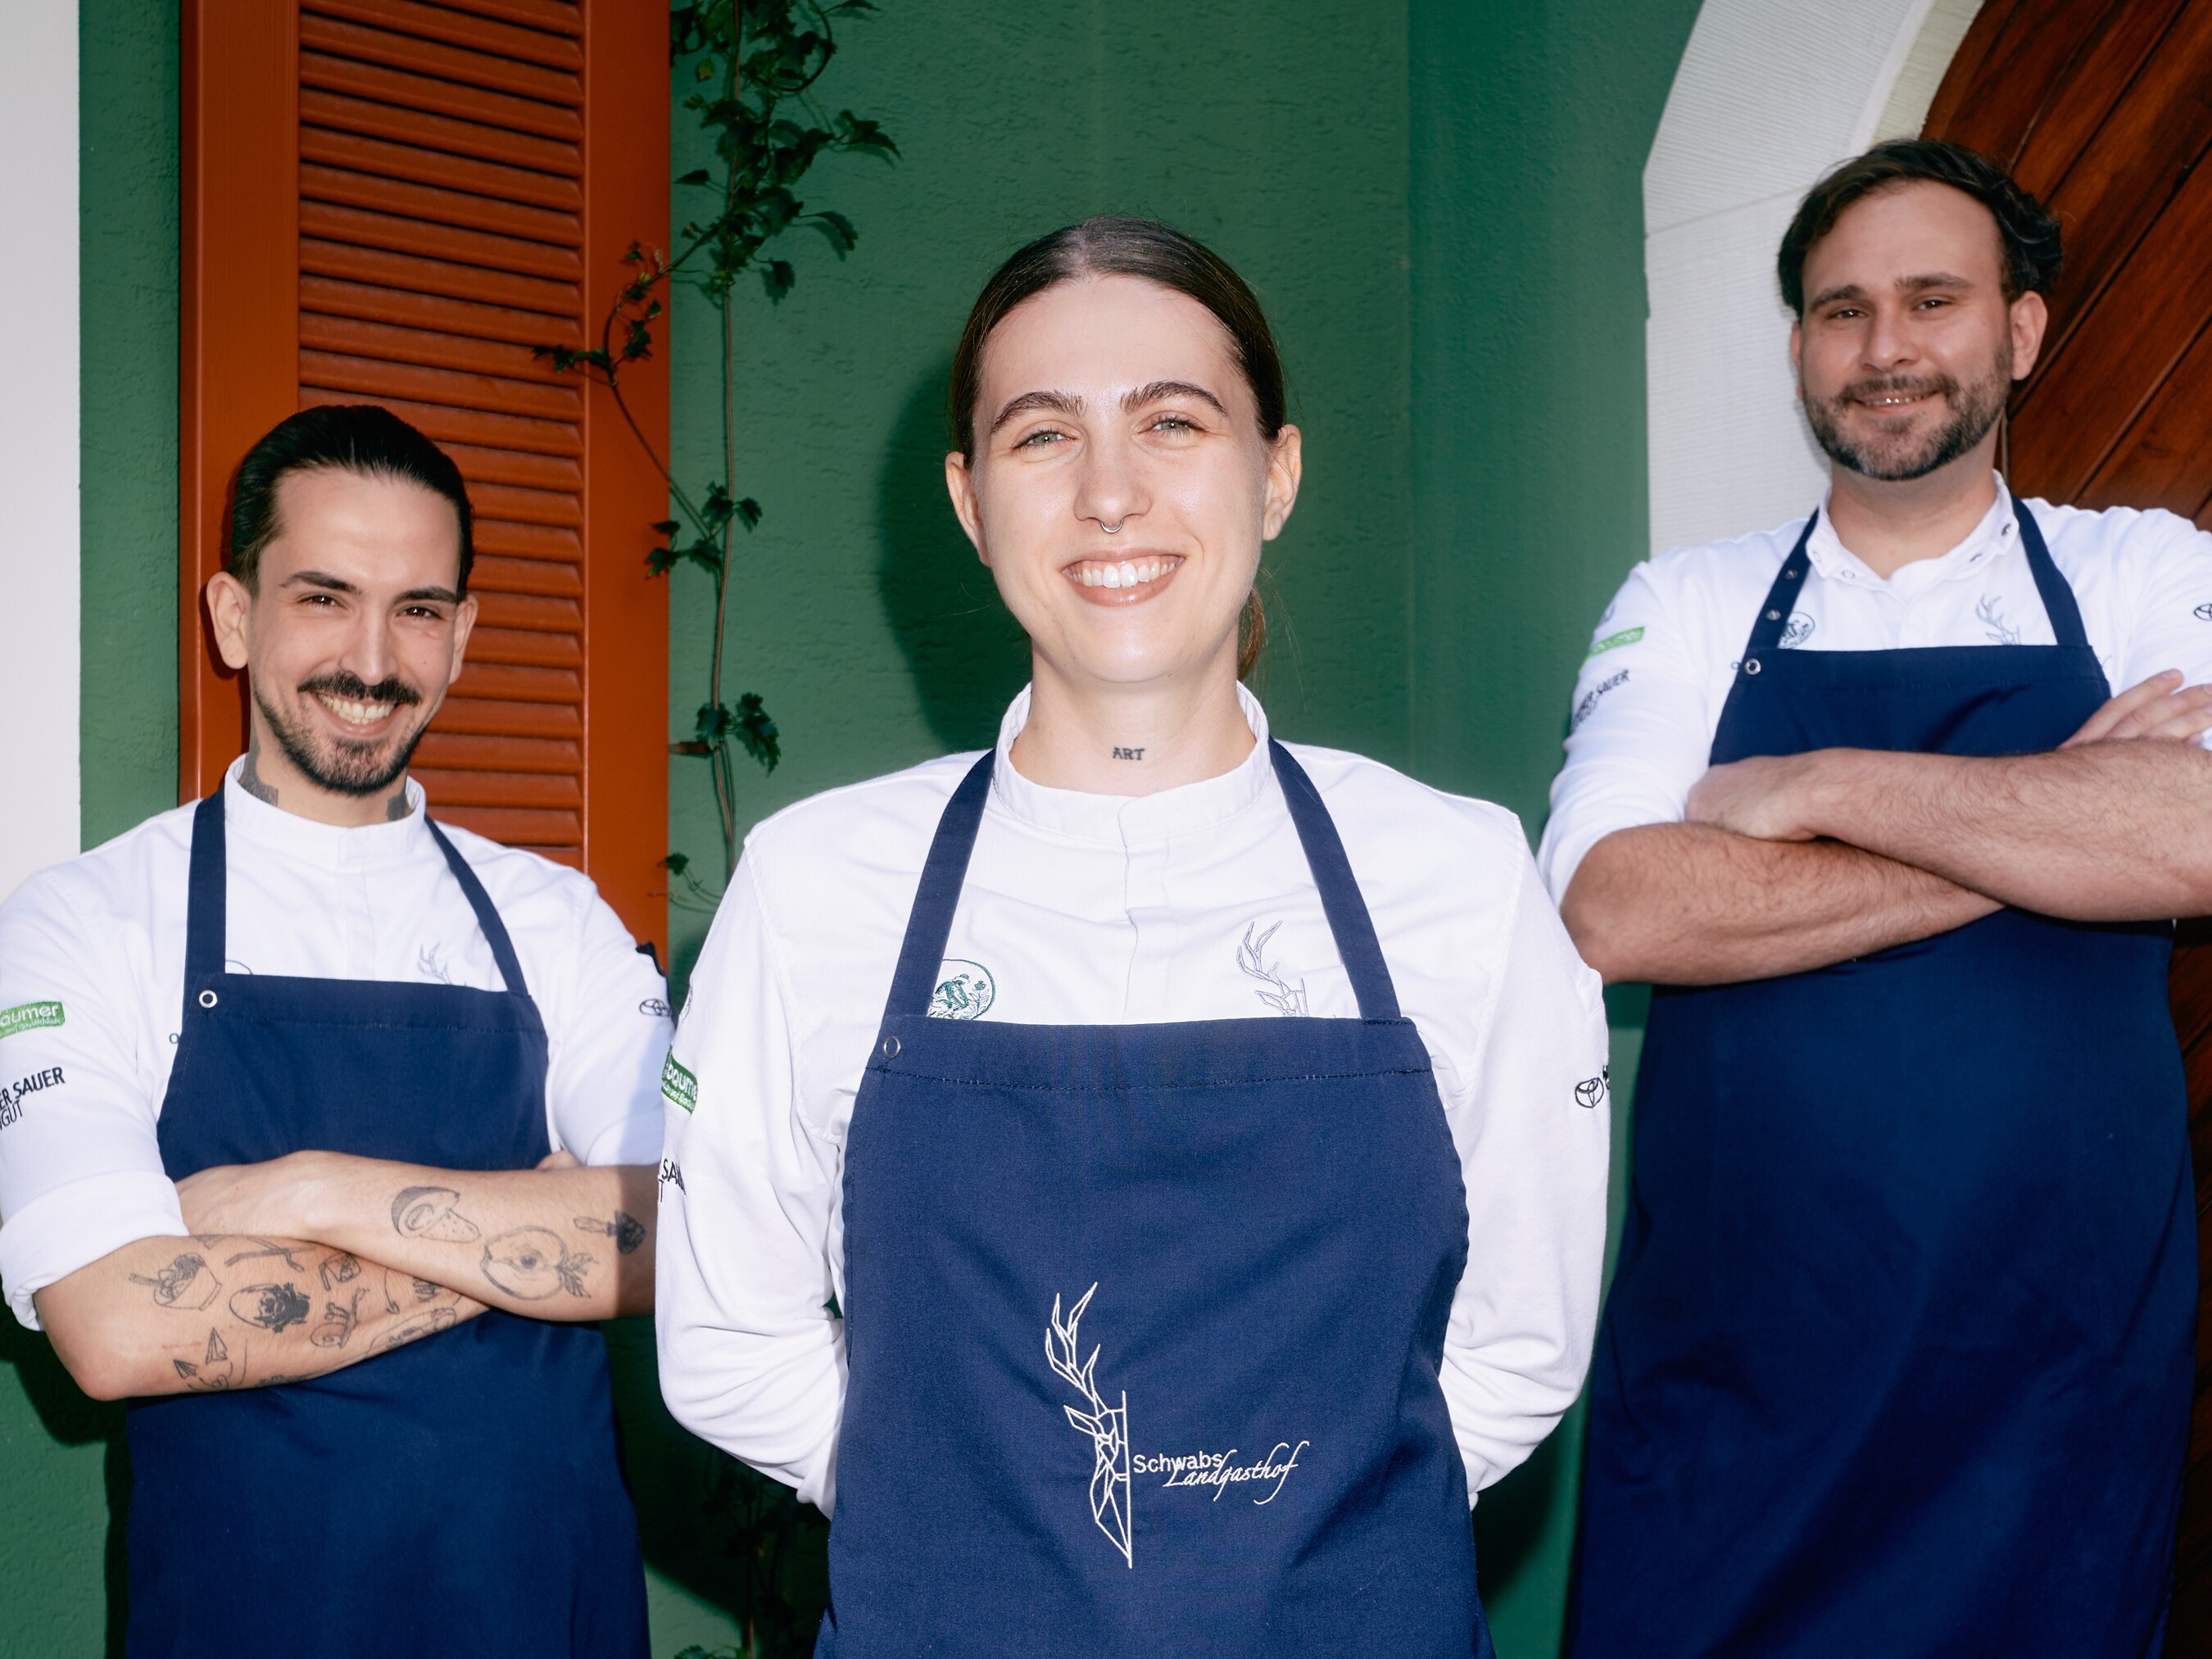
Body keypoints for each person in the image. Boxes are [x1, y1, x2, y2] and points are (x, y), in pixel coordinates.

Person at [655, 216, 1611, 1656]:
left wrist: (1282, 1548)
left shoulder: (1462, 878)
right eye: (1044, 437)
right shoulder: (812, 887)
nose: (1112, 492)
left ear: (1275, 474)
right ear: (971, 503)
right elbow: (728, 1333)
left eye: (1174, 421)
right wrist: (963, 1515)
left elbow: (1524, 1341)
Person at [1548, 139, 2212, 1658]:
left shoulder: (2142, 572)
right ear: (1799, 348)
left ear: (2021, 331)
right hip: (1740, 1385)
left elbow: (2199, 832)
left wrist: (1819, 787)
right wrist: (2049, 815)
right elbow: (1616, 908)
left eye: (1932, 299)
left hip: (2051, 1379)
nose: (1887, 348)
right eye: (1842, 311)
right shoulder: (1687, 602)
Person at [0, 405, 664, 1658]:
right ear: (235, 615)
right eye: (324, 597)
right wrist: (526, 1238)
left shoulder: (556, 918)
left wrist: (305, 1189)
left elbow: (676, 1235)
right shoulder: (86, 919)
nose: (373, 658)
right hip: (246, 1616)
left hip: (547, 1608)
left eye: (419, 608)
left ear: (462, 638)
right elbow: (120, 1325)